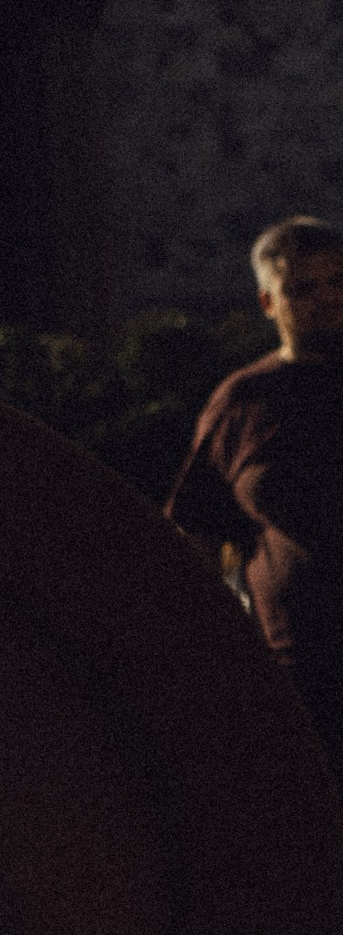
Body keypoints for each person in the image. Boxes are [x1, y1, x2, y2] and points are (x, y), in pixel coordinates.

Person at [168, 215, 343, 772]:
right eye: (302, 288)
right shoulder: (244, 402)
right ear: (269, 303)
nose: (326, 300)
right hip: (300, 679)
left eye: (338, 282)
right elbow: (192, 533)